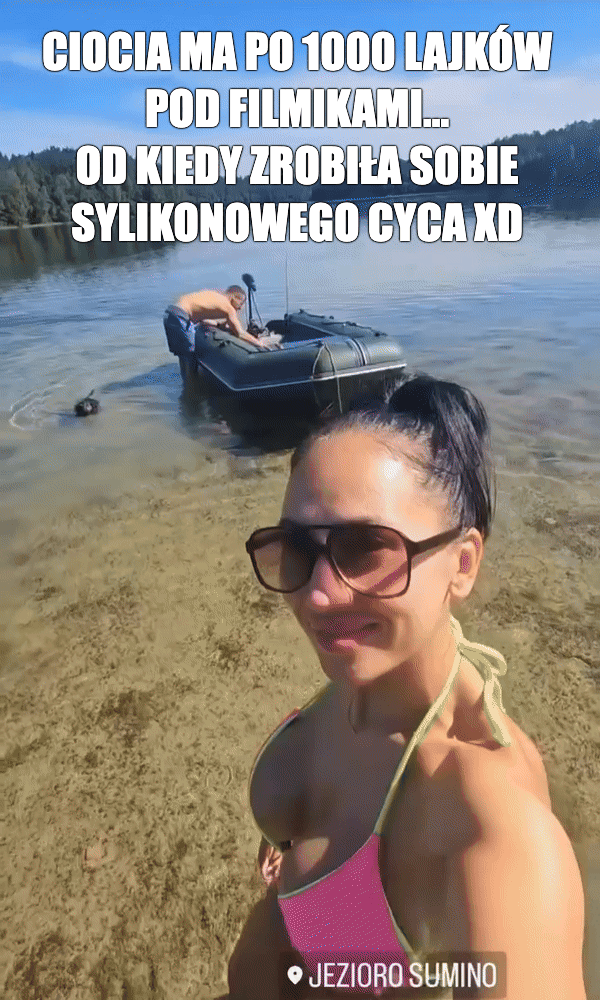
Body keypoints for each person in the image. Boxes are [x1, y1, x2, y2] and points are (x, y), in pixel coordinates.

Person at [229, 375, 587, 999]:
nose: (317, 595)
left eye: (367, 546)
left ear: (463, 564)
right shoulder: (357, 687)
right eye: (297, 547)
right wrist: (289, 858)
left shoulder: (485, 814)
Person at [163, 285, 265, 360]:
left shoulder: (214, 296)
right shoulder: (228, 308)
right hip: (181, 316)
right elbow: (240, 333)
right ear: (234, 297)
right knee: (190, 355)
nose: (240, 307)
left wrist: (220, 325)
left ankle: (187, 382)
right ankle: (191, 379)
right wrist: (260, 344)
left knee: (182, 354)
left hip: (171, 312)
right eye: (241, 303)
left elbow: (202, 319)